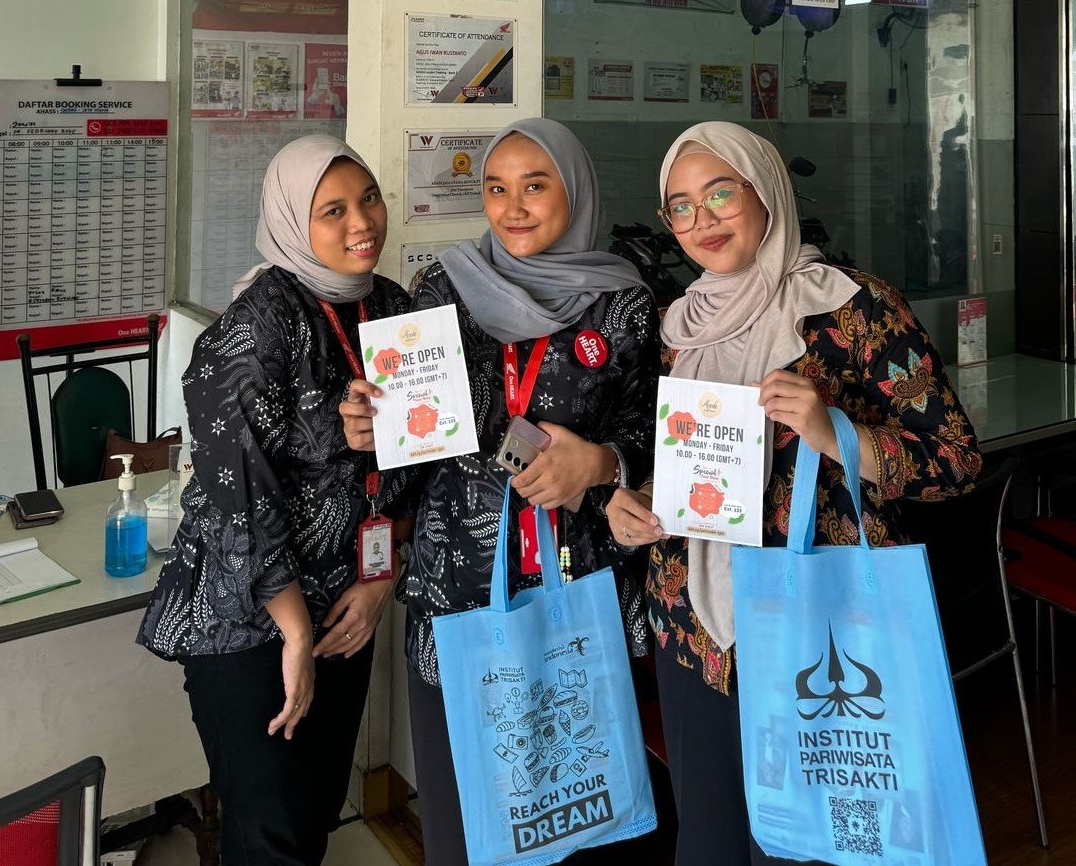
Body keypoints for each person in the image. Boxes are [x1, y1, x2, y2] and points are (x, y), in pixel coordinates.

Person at [604, 121, 982, 864]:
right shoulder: (675, 327)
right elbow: (671, 457)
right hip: (693, 626)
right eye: (680, 206)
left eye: (720, 193)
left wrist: (835, 431)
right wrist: (635, 500)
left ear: (766, 190)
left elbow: (957, 461)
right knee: (709, 839)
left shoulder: (852, 307)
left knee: (810, 845)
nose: (702, 220)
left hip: (822, 622)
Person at [341, 117, 661, 864]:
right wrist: (370, 428)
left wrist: (602, 462)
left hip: (579, 583)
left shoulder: (623, 303)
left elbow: (651, 432)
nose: (512, 208)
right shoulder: (443, 288)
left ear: (574, 192)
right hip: (457, 590)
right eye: (495, 188)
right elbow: (415, 447)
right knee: (467, 817)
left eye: (534, 186)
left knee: (583, 810)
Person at [137, 135, 413, 865]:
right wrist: (292, 632)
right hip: (251, 619)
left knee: (313, 816)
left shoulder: (394, 310)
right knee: (270, 839)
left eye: (369, 198)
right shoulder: (257, 324)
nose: (362, 223)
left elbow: (424, 460)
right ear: (292, 220)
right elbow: (235, 493)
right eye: (332, 210)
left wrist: (379, 581)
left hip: (347, 604)